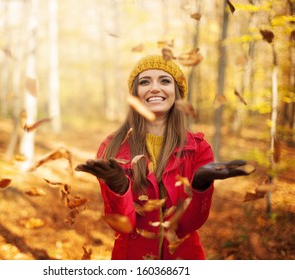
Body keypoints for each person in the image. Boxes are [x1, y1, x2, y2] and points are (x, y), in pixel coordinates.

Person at [75, 54, 252, 260]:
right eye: (145, 82)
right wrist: (119, 188)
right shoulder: (112, 148)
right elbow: (124, 226)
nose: (155, 88)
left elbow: (188, 226)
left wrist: (201, 186)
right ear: (135, 94)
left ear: (176, 92)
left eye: (165, 81)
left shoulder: (198, 148)